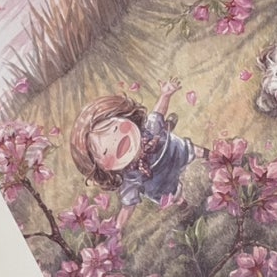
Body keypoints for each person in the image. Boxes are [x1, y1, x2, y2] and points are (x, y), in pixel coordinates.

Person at [69, 77, 208, 230]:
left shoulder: (149, 131)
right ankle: (186, 208)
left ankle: (214, 156)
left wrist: (165, 95)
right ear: (102, 168)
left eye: (115, 129)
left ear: (126, 117)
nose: (116, 142)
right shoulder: (130, 179)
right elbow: (128, 207)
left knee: (194, 150)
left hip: (175, 152)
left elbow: (157, 113)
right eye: (106, 151)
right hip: (163, 185)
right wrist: (118, 228)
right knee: (175, 197)